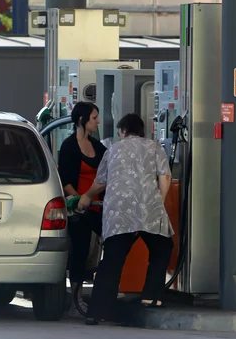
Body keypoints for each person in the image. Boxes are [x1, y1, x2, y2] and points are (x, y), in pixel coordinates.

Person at [78, 113, 174, 325]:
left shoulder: (112, 149)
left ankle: (98, 310)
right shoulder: (154, 147)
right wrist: (159, 202)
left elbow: (101, 182)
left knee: (112, 259)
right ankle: (152, 296)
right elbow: (165, 177)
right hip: (148, 208)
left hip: (119, 212)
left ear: (123, 131)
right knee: (162, 246)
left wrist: (86, 197)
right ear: (142, 130)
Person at [57, 102, 107, 314]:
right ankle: (76, 297)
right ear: (81, 120)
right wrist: (80, 199)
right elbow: (65, 178)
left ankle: (105, 293)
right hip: (79, 208)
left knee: (113, 244)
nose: (97, 121)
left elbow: (107, 172)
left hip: (98, 206)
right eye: (94, 117)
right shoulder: (69, 146)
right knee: (80, 250)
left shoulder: (98, 147)